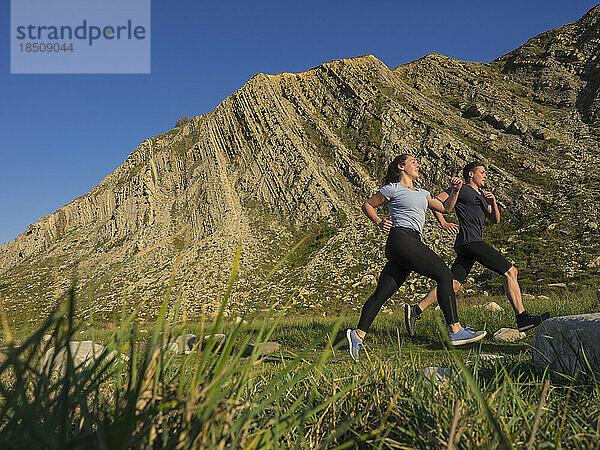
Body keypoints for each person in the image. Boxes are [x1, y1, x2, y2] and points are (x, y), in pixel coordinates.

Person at [347, 154, 487, 362]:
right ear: (401, 166)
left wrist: (456, 190)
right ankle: (455, 330)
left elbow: (446, 208)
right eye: (414, 162)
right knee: (445, 275)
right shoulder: (393, 188)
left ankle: (357, 335)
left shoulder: (423, 193)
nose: (418, 165)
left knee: (383, 292)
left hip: (407, 243)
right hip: (401, 238)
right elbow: (368, 205)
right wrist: (378, 221)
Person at [404, 162, 550, 337]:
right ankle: (522, 318)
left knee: (453, 284)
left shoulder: (482, 196)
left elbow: (495, 220)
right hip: (472, 242)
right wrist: (443, 222)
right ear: (471, 174)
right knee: (511, 272)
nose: (485, 176)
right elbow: (435, 201)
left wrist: (493, 202)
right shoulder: (463, 189)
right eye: (482, 172)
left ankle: (416, 310)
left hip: (466, 245)